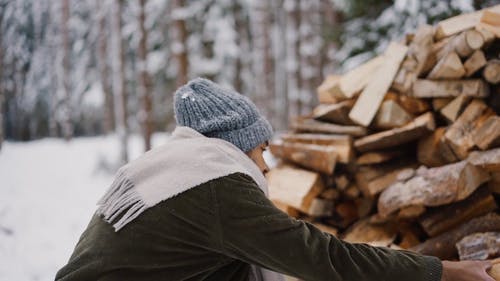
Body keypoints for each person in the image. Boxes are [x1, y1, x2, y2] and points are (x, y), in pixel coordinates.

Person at [56, 78, 494, 281]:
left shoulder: (170, 172)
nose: (266, 166)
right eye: (262, 150)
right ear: (235, 145)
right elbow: (325, 258)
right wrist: (444, 271)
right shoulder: (212, 185)